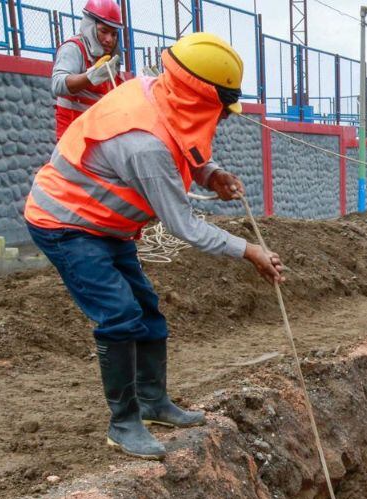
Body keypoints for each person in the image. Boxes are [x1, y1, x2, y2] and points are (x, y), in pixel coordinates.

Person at [23, 32, 284, 461]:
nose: (222, 119)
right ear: (200, 98)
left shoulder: (156, 91)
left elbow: (183, 139)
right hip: (66, 223)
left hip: (108, 226)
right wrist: (249, 250)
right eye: (221, 109)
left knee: (146, 309)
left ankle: (153, 402)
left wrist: (210, 173)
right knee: (120, 315)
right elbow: (185, 226)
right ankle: (123, 424)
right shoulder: (145, 144)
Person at [51, 0, 125, 139]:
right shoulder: (74, 49)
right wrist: (89, 77)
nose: (109, 39)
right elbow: (57, 84)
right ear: (89, 26)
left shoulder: (110, 58)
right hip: (73, 139)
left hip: (100, 138)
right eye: (104, 31)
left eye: (114, 34)